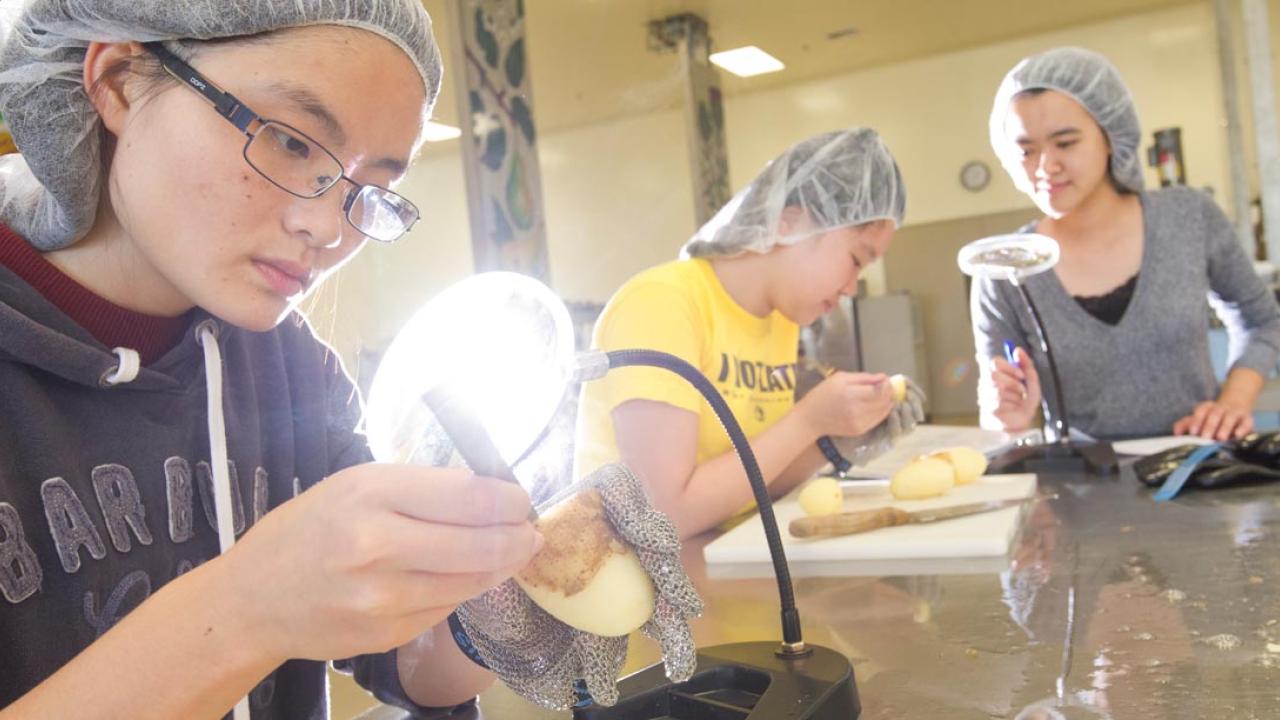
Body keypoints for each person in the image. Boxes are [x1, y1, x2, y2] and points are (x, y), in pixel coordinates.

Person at [0, 2, 541, 717]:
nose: (325, 227)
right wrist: (249, 608)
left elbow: (408, 663)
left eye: (369, 190)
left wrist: (519, 587)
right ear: (120, 81)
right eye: (291, 143)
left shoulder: (294, 371)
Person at [575, 128, 918, 539]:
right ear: (791, 221)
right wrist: (808, 421)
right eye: (855, 259)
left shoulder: (779, 322)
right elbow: (664, 516)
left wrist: (834, 442)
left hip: (720, 560)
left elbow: (744, 489)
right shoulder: (661, 305)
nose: (851, 287)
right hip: (628, 585)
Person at [975, 47, 1280, 441]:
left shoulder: (1189, 218)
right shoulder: (1006, 269)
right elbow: (1000, 409)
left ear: (1110, 137)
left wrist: (1234, 400)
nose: (1045, 166)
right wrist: (1006, 418)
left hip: (1196, 471)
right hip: (1078, 491)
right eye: (1026, 151)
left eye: (1065, 143)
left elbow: (1262, 320)